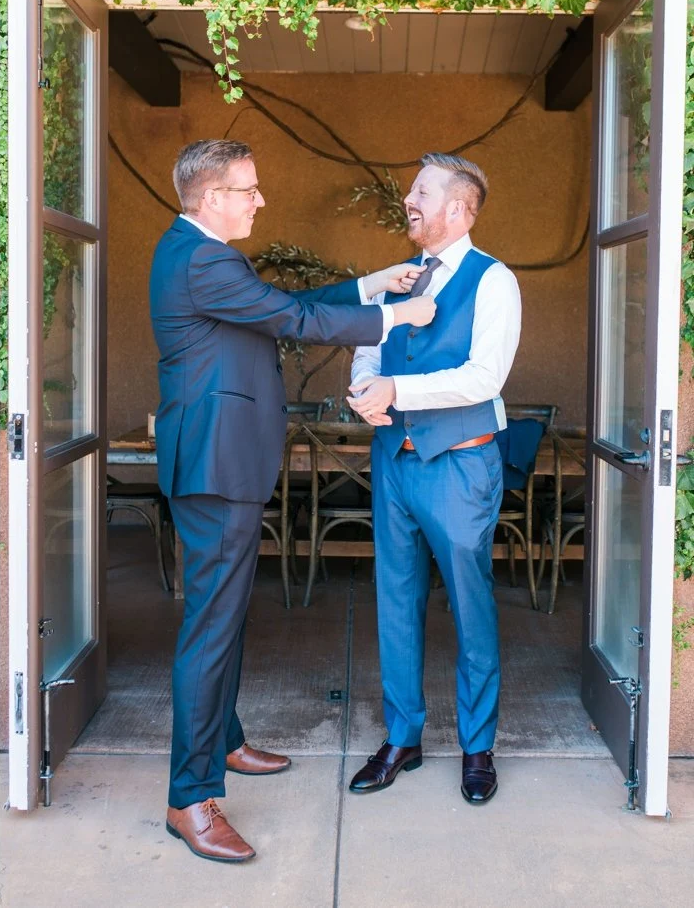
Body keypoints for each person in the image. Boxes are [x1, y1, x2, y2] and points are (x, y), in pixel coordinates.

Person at [150, 139, 436, 863]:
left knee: (224, 617)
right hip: (217, 467)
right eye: (248, 189)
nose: (260, 199)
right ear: (212, 197)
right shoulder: (204, 260)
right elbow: (295, 322)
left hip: (222, 462)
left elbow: (284, 307)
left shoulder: (200, 254)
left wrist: (369, 286)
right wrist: (398, 317)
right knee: (210, 628)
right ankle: (190, 798)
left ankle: (224, 739)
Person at [345, 152, 521, 806]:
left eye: (422, 191)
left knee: (470, 605)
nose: (409, 200)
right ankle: (403, 738)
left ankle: (478, 746)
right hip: (393, 459)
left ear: (458, 208)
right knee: (394, 600)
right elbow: (368, 349)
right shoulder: (399, 277)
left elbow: (484, 377)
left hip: (460, 465)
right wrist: (365, 390)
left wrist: (399, 389)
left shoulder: (494, 280)